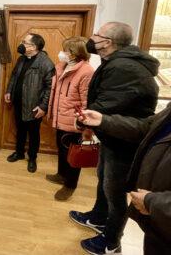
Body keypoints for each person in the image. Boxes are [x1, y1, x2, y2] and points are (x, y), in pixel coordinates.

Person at [68, 22, 159, 255]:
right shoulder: (115, 61)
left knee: (115, 191)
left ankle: (111, 241)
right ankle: (98, 217)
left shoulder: (125, 67)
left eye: (97, 34)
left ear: (107, 42)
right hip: (112, 136)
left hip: (125, 140)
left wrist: (83, 120)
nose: (92, 37)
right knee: (103, 180)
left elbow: (108, 103)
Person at [75, 105, 171, 255]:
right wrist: (103, 120)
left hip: (160, 211)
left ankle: (111, 242)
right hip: (157, 222)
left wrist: (151, 201)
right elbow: (145, 127)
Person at [46, 36, 94, 200]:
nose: (62, 53)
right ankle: (61, 174)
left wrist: (85, 123)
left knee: (74, 154)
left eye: (66, 50)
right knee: (62, 148)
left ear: (74, 53)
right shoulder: (62, 66)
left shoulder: (86, 71)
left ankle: (70, 185)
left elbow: (87, 100)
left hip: (74, 120)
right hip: (60, 117)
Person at [5, 33, 54, 173]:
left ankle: (32, 158)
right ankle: (19, 153)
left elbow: (50, 87)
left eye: (24, 42)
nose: (21, 44)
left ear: (33, 47)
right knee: (20, 129)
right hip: (18, 102)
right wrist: (9, 91)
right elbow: (14, 76)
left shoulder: (45, 63)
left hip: (35, 106)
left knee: (33, 133)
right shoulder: (21, 59)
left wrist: (43, 106)